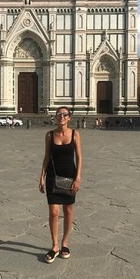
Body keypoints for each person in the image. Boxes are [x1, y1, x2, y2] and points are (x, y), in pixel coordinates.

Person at [39, 107, 82, 263]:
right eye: (59, 114)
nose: (62, 117)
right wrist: (41, 177)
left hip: (70, 176)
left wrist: (77, 178)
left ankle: (65, 243)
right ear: (55, 117)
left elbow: (79, 157)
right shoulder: (49, 135)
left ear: (69, 117)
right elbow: (46, 157)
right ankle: (55, 245)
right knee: (54, 211)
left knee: (68, 210)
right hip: (53, 176)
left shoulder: (75, 134)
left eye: (65, 115)